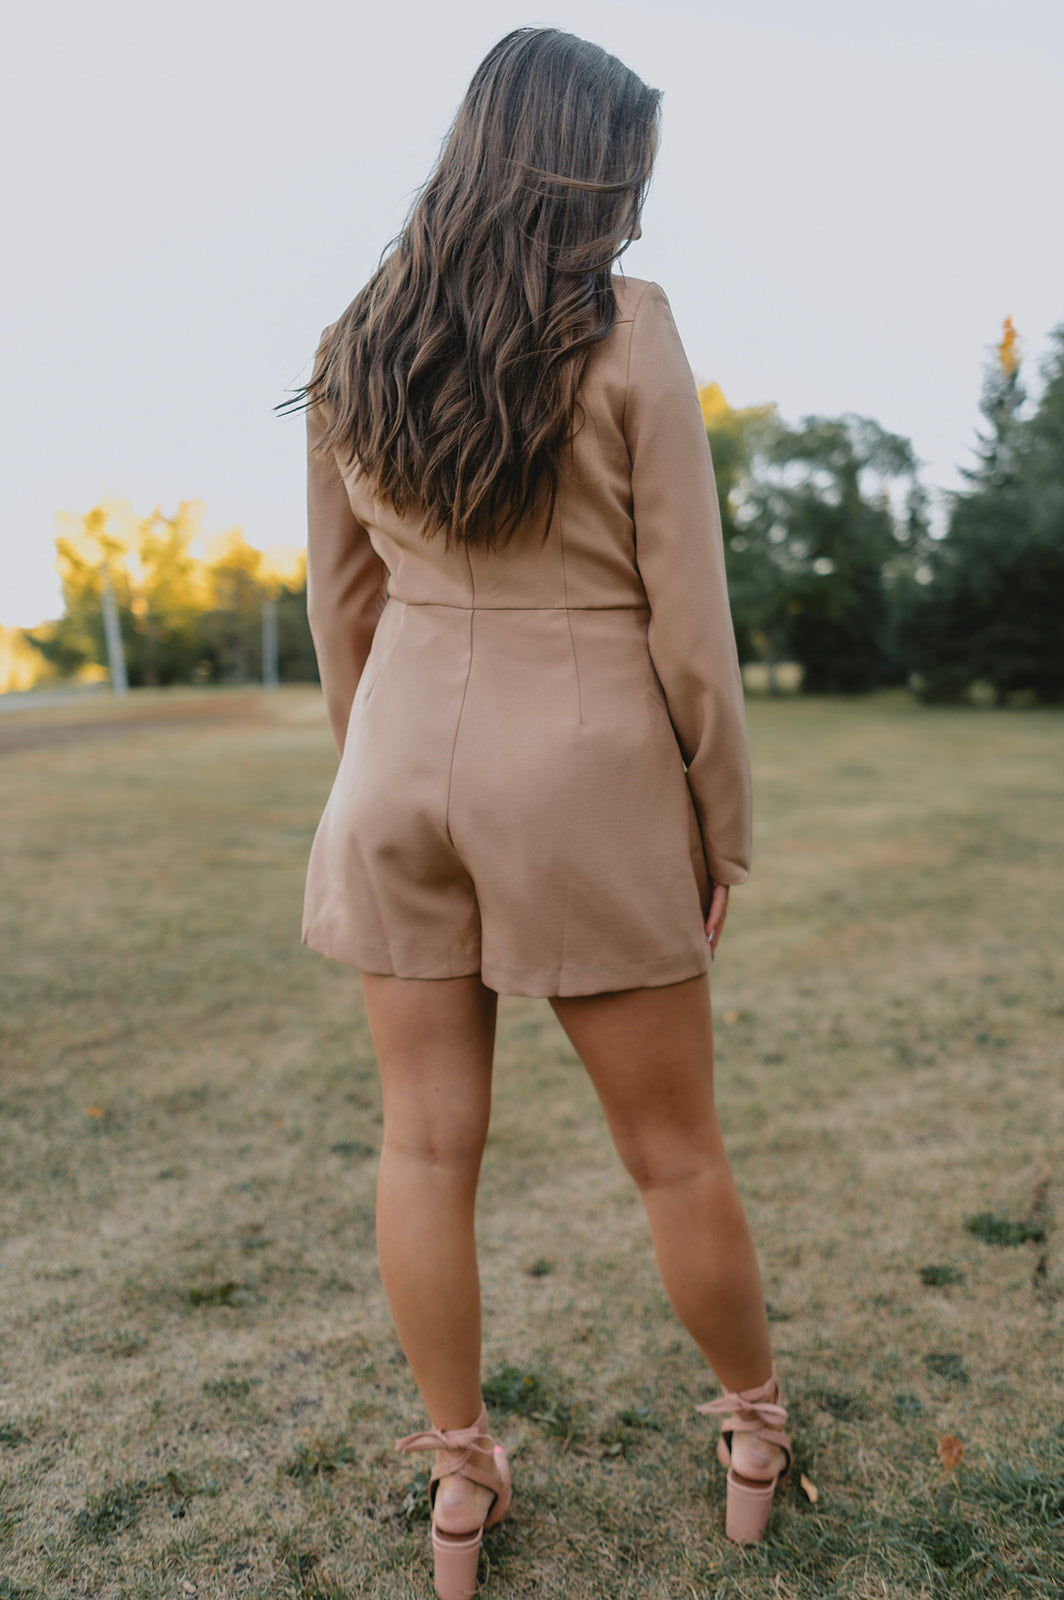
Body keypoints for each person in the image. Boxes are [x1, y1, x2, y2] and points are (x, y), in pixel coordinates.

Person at [287, 26, 792, 1599]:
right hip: (584, 775)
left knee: (425, 1148)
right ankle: (755, 1432)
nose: (635, 205)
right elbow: (690, 626)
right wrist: (718, 827)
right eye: (627, 171)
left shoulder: (357, 339)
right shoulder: (628, 331)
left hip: (395, 767)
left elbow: (340, 611)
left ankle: (459, 1478)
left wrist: (378, 766)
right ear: (580, 166)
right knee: (674, 1154)